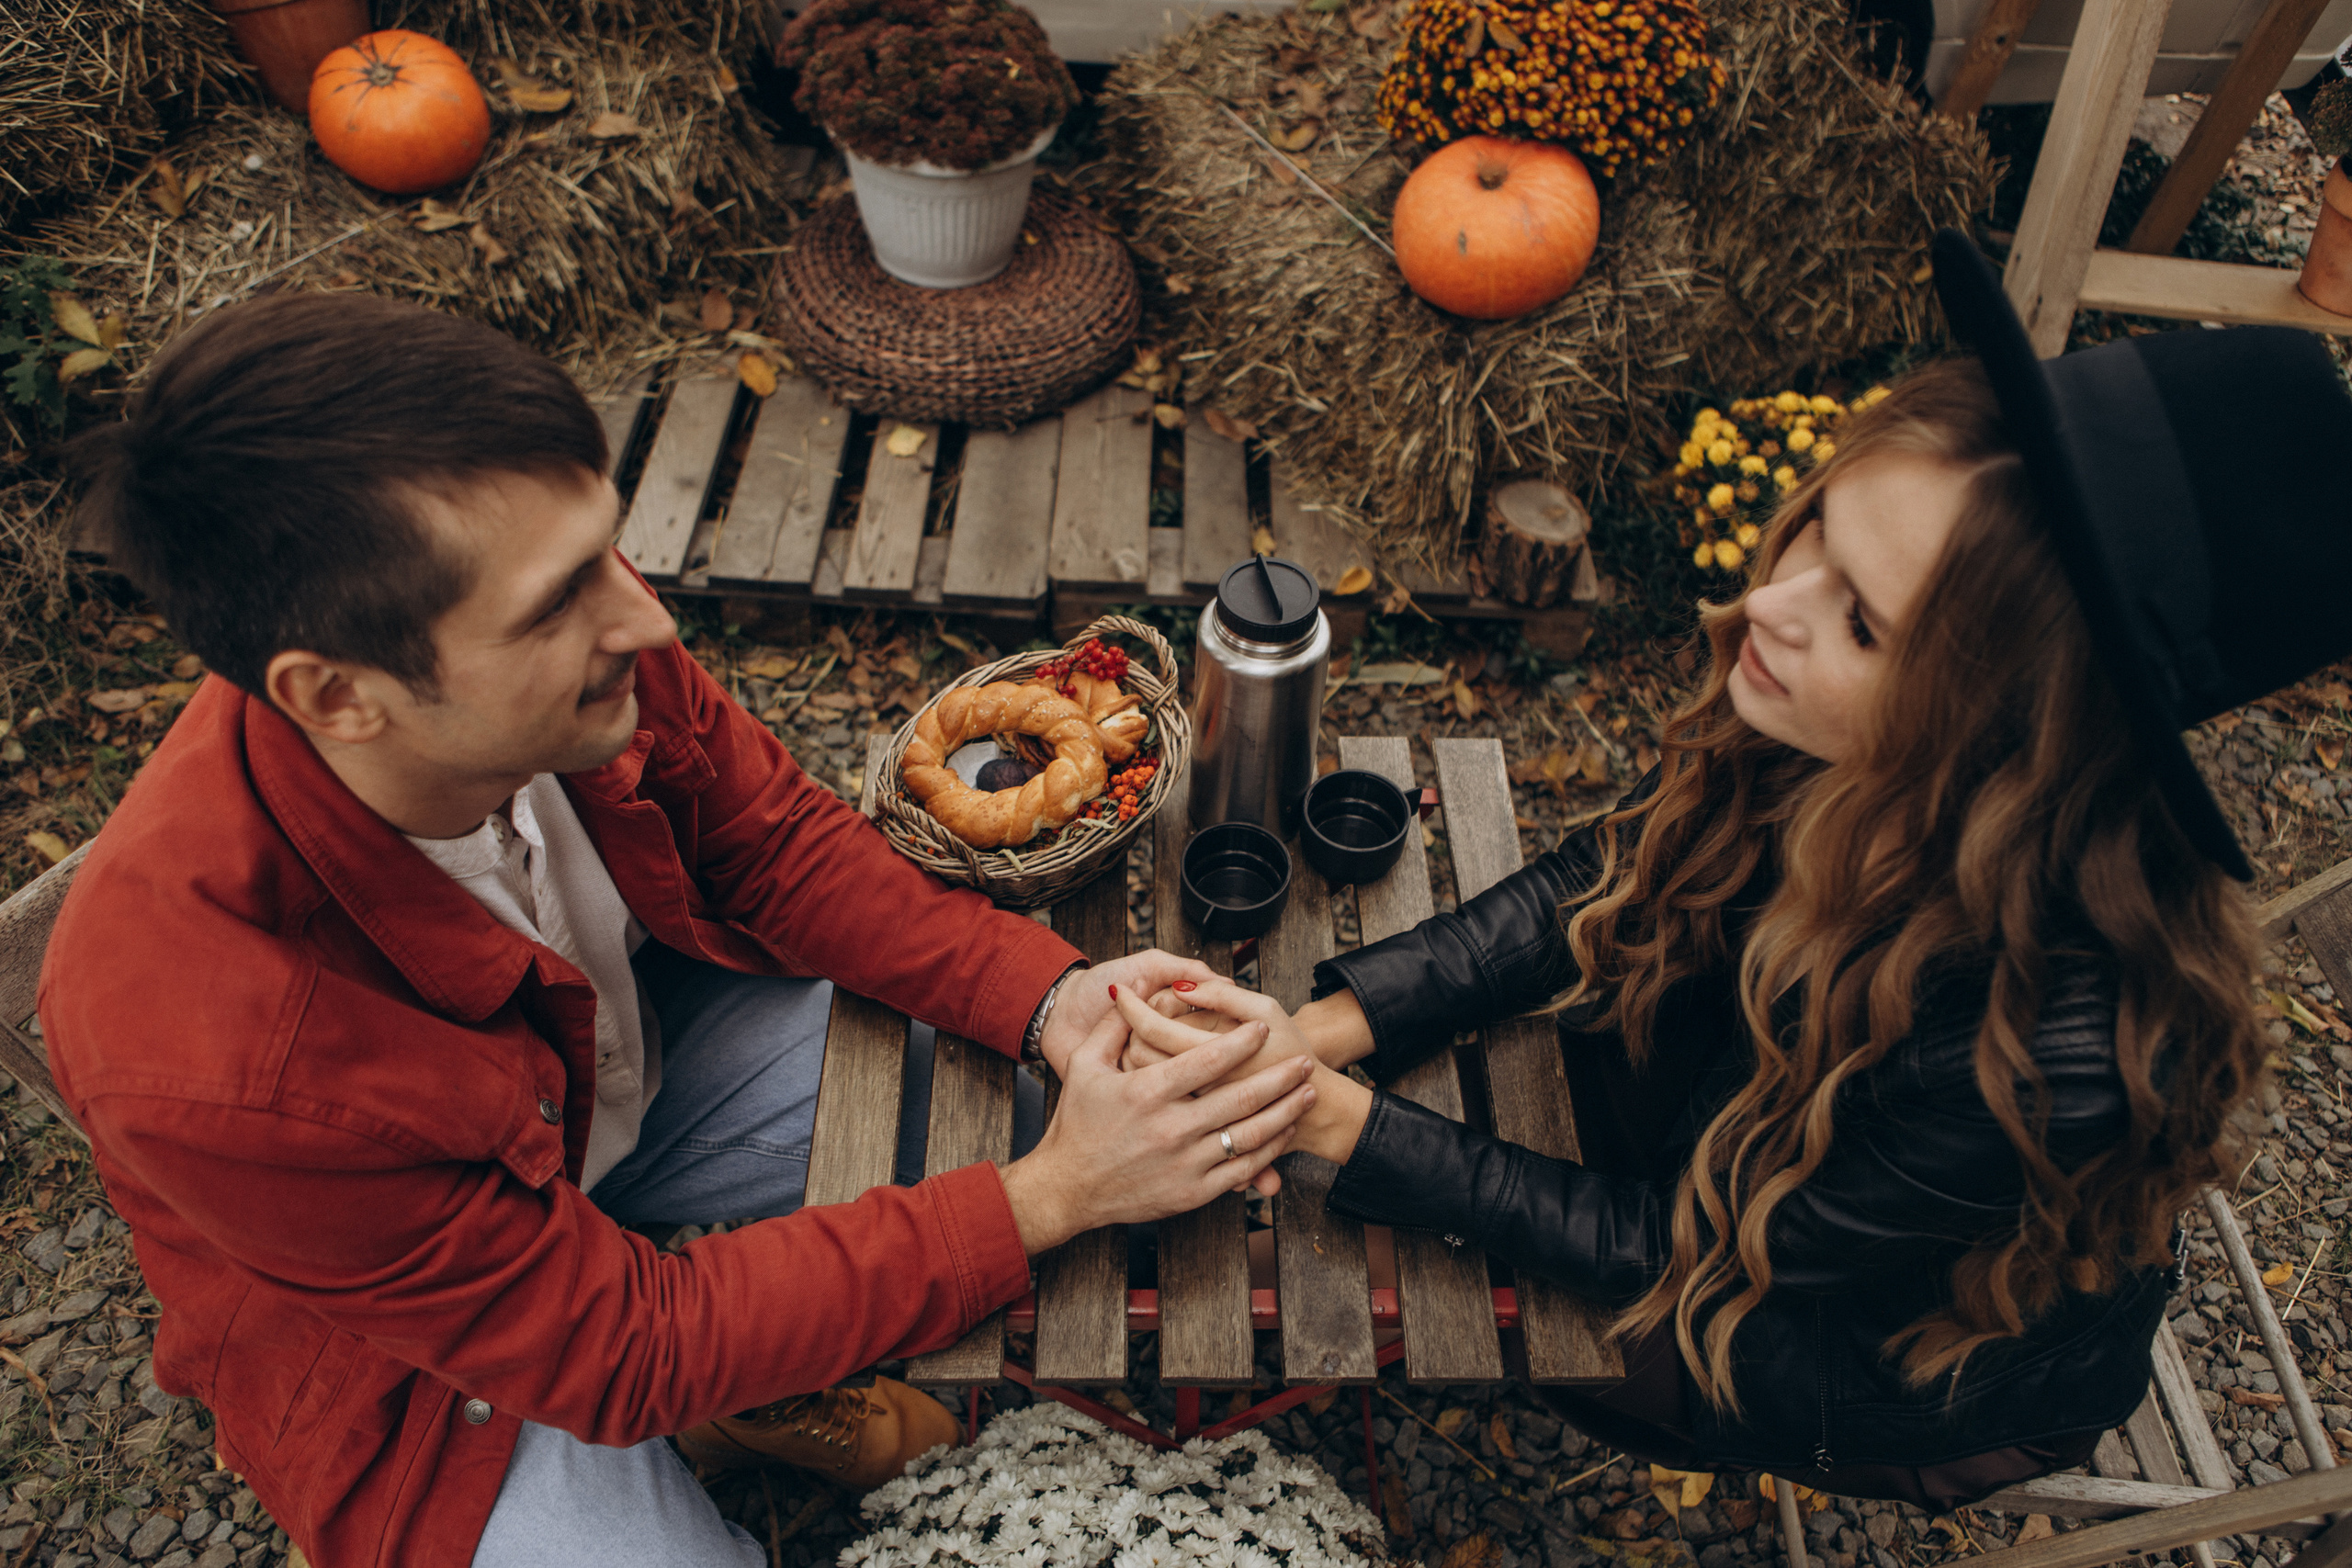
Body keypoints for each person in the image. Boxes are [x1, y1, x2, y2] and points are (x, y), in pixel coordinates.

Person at [43, 292, 1318, 1568]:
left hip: (628, 1072)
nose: (646, 621)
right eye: (557, 604)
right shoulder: (216, 1059)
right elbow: (616, 1347)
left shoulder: (574, 640)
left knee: (1096, 1084)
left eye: (609, 546)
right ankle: (732, 1400)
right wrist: (1055, 1198)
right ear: (339, 696)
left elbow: (774, 845)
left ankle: (762, 1374)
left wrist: (1055, 1001)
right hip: (426, 1366)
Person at [1117, 231, 2352, 1506]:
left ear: (2014, 731)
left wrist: (1339, 1124)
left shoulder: (2050, 1055)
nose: (1769, 606)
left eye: (1862, 617)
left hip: (1841, 1360)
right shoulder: (1822, 731)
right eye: (1814, 530)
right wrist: (1326, 1029)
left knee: (1380, 1275)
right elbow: (1598, 884)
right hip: (1692, 1132)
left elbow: (1697, 1253)